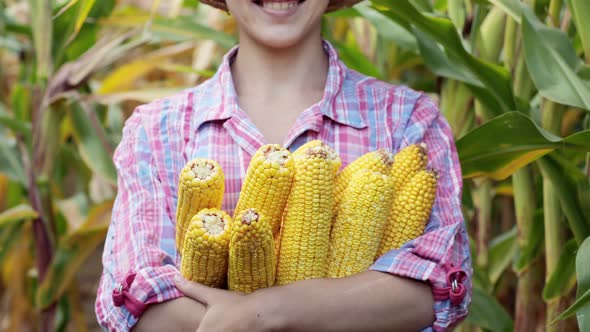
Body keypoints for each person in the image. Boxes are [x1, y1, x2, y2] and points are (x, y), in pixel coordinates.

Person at [95, 0, 472, 331]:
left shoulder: (406, 120)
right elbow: (134, 300)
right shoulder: (156, 130)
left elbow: (436, 285)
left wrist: (264, 312)